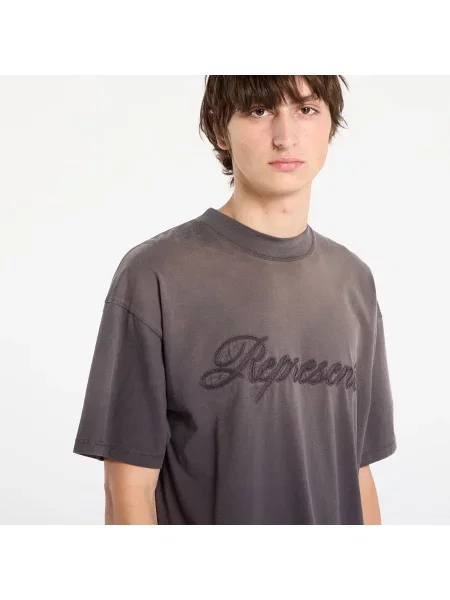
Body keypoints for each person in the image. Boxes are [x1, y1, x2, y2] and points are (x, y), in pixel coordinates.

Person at [73, 75, 397, 525]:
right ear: (218, 127)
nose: (285, 137)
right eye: (260, 111)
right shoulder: (154, 275)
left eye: (306, 110)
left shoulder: (354, 281)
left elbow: (357, 471)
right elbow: (128, 489)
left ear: (330, 124)